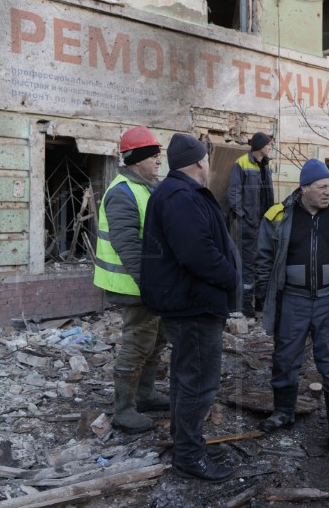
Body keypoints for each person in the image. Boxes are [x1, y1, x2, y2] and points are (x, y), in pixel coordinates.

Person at [140, 133, 241, 482]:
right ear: (200, 161)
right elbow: (197, 253)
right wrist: (232, 278)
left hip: (188, 302)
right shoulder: (181, 195)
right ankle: (189, 455)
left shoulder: (176, 192)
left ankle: (187, 441)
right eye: (208, 158)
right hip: (192, 304)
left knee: (187, 379)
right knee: (198, 381)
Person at [255, 159, 329, 451]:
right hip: (293, 299)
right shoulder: (279, 216)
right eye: (320, 187)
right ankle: (283, 412)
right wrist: (261, 296)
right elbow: (263, 260)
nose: (327, 191)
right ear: (303, 188)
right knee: (284, 360)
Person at [93, 125, 168, 435]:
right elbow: (127, 246)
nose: (159, 161)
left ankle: (145, 394)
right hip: (132, 285)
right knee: (137, 343)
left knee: (156, 339)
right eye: (154, 156)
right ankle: (123, 410)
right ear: (139, 159)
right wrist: (148, 284)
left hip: (148, 285)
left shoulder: (144, 186)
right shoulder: (122, 192)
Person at [227, 132, 275, 317]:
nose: (270, 147)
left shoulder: (267, 164)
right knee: (247, 264)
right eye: (268, 144)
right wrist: (243, 216)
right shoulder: (241, 163)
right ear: (260, 145)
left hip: (265, 223)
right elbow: (234, 193)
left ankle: (260, 302)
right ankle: (246, 304)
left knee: (263, 262)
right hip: (249, 224)